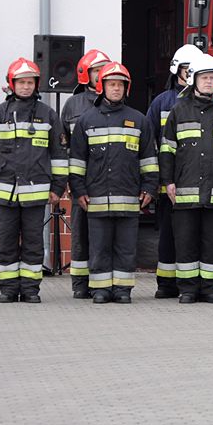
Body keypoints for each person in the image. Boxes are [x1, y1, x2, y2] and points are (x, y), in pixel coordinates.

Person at [0, 58, 67, 304]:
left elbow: (59, 155)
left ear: (36, 85)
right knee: (6, 242)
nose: (26, 87)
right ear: (11, 84)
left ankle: (30, 289)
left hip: (37, 194)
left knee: (34, 243)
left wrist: (58, 188)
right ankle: (7, 289)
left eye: (30, 82)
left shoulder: (48, 115)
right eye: (21, 82)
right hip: (5, 193)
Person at [69, 62, 158, 304]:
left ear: (127, 88)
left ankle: (122, 289)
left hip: (129, 199)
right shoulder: (86, 120)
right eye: (112, 84)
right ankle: (100, 289)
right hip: (96, 199)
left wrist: (149, 188)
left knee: (126, 248)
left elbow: (149, 160)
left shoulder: (139, 120)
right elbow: (77, 162)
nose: (116, 89)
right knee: (99, 247)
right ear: (102, 87)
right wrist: (78, 191)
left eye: (120, 84)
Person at [159, 53, 213, 304]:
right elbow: (167, 150)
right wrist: (168, 181)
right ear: (193, 79)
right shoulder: (179, 111)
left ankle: (211, 289)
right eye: (204, 77)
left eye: (212, 78)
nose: (208, 82)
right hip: (185, 191)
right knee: (186, 242)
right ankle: (188, 289)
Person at [145, 44, 203, 299]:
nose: (190, 74)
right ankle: (166, 284)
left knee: (194, 236)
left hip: (196, 181)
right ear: (176, 70)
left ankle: (192, 283)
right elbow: (149, 142)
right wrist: (155, 180)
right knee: (168, 235)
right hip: (168, 182)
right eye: (186, 69)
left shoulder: (207, 103)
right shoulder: (162, 102)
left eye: (194, 70)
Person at [61, 49, 111, 299]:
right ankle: (80, 283)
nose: (101, 75)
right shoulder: (73, 105)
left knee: (105, 235)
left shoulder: (116, 100)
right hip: (81, 180)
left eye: (104, 70)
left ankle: (102, 281)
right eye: (96, 71)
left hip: (109, 180)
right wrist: (68, 180)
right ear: (85, 74)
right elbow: (63, 145)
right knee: (80, 234)